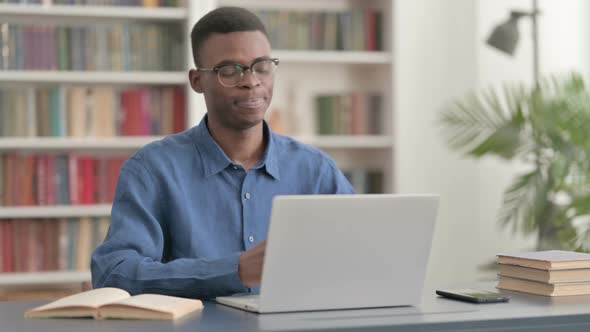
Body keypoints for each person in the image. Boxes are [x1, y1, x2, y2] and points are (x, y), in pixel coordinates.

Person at [91, 6, 353, 299]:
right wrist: (234, 270)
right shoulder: (152, 170)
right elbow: (114, 272)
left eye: (262, 66)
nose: (251, 81)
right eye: (230, 70)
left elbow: (360, 257)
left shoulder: (316, 170)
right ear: (197, 81)